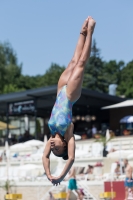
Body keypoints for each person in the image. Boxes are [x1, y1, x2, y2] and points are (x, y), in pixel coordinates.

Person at [42, 16, 96, 186]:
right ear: (65, 145)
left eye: (53, 149)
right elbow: (71, 158)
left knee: (73, 60)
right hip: (71, 95)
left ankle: (82, 30)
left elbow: (44, 157)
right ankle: (91, 31)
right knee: (80, 63)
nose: (52, 146)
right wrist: (60, 177)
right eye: (57, 148)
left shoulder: (51, 133)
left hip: (60, 91)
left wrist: (49, 174)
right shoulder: (68, 133)